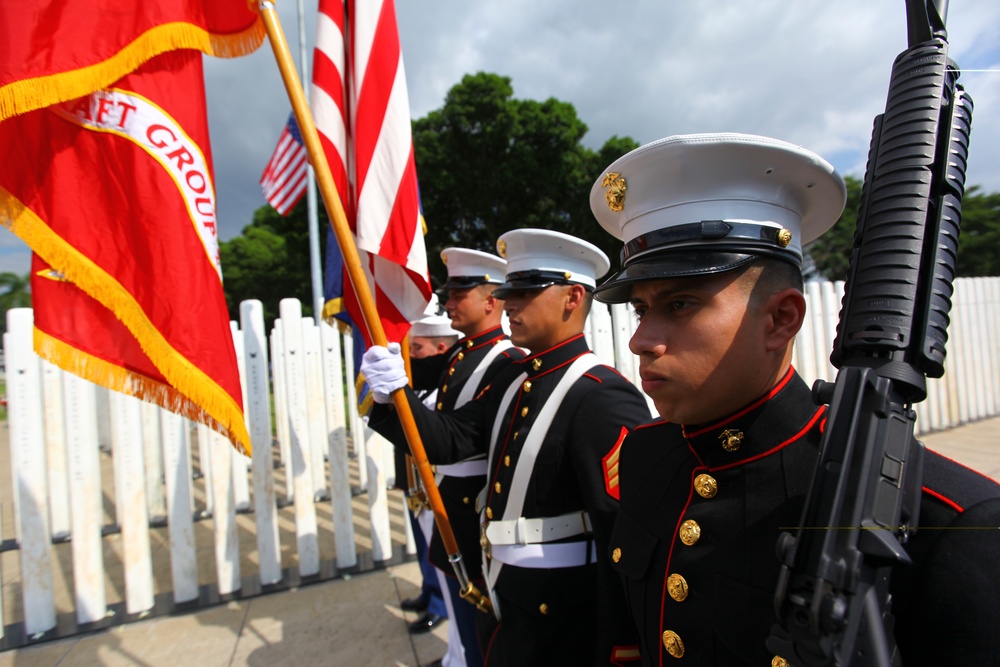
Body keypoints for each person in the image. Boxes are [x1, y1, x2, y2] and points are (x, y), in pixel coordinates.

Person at [588, 133, 1000, 665]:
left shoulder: (948, 524)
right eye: (643, 310)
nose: (641, 339)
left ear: (781, 319)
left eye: (682, 303)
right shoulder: (647, 455)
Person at [362, 229, 653, 666]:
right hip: (506, 594)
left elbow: (624, 540)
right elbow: (452, 439)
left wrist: (619, 649)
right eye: (508, 290)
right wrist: (393, 398)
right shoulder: (514, 378)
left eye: (525, 290)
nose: (508, 302)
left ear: (573, 297)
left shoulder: (601, 395)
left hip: (561, 614)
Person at [407, 247, 524, 667]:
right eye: (448, 294)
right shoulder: (461, 354)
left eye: (459, 294)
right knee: (462, 622)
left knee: (481, 630)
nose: (448, 303)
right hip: (448, 498)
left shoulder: (506, 360)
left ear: (490, 301)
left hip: (472, 508)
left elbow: (455, 438)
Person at [395, 308, 460, 637]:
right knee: (423, 544)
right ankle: (429, 592)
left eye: (416, 349)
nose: (411, 356)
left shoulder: (448, 390)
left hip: (437, 484)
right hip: (412, 481)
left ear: (440, 349)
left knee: (439, 549)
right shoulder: (417, 383)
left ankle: (439, 604)